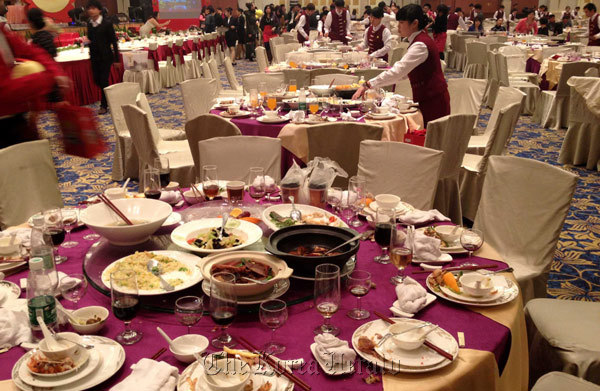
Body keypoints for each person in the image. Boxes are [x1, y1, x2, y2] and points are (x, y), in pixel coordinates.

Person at [353, 4, 449, 126]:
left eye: (401, 23)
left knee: (432, 140)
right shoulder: (417, 40)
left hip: (434, 101)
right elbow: (404, 73)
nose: (398, 27)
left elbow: (399, 71)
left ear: (414, 23)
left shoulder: (420, 45)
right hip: (426, 98)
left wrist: (369, 84)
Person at [0, 26, 70, 148]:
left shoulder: (2, 31)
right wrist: (48, 79)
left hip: (14, 116)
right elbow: (4, 90)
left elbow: (31, 51)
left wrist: (56, 72)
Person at [27, 8, 66, 106]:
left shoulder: (33, 40)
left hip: (41, 76)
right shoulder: (48, 36)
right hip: (54, 74)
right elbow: (54, 53)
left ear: (30, 23)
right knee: (60, 105)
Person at [85, 0, 118, 115]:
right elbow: (91, 39)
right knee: (96, 80)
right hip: (94, 57)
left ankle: (104, 105)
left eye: (93, 8)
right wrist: (86, 42)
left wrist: (117, 59)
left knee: (103, 80)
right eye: (89, 8)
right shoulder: (89, 23)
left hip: (106, 57)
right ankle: (110, 95)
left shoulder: (107, 23)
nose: (91, 10)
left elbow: (114, 42)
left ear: (99, 10)